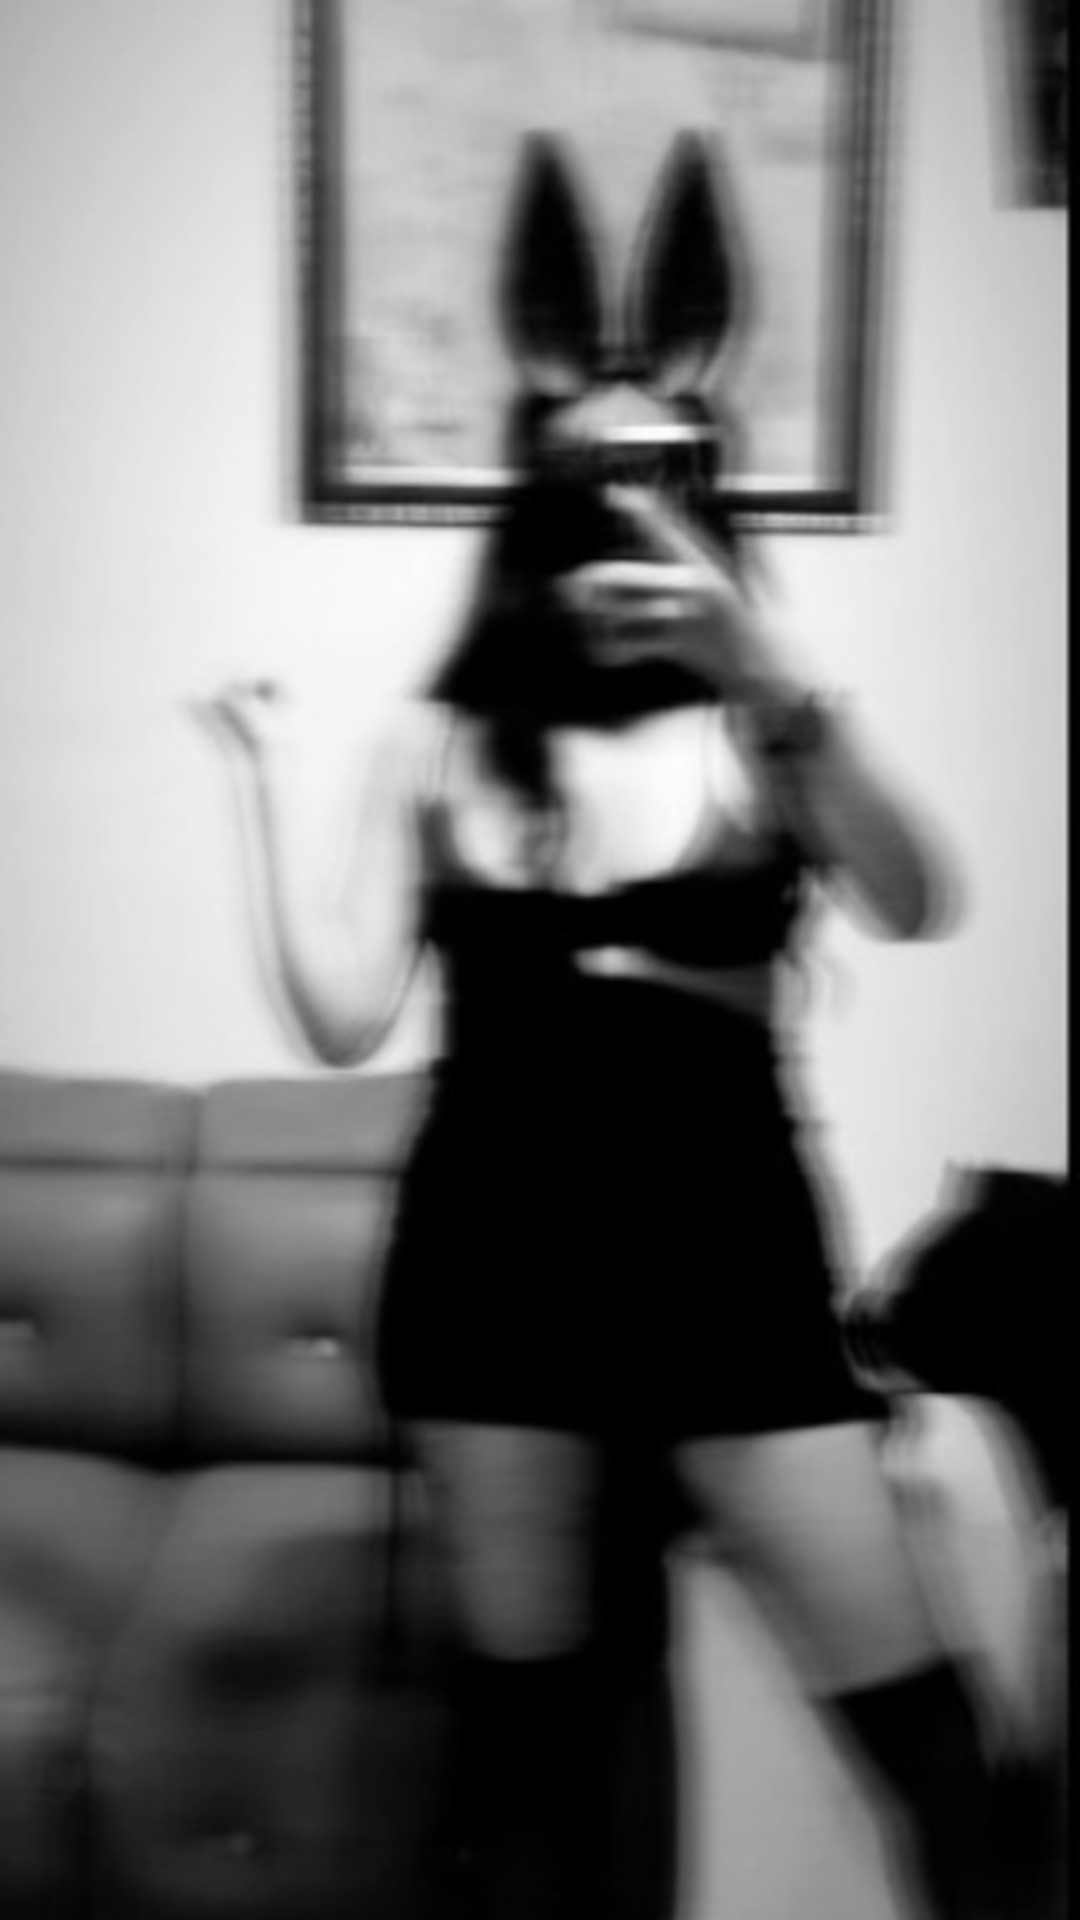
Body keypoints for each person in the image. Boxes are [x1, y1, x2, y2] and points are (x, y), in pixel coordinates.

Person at [205, 134, 1051, 1920]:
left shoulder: (766, 730)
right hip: (490, 1274)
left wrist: (762, 659)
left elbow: (917, 898)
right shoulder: (439, 748)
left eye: (660, 471)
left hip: (733, 1275)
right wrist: (262, 780)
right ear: (530, 502)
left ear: (711, 496)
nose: (619, 505)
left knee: (928, 1741)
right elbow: (346, 1019)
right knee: (534, 1752)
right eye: (585, 473)